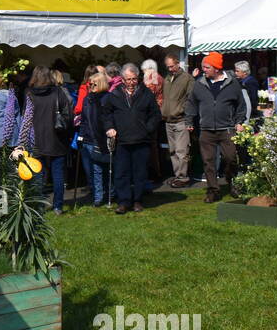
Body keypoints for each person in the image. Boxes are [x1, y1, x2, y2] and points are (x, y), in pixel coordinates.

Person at [185, 52, 248, 203]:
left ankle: (231, 181)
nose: (203, 70)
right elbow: (191, 103)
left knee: (230, 158)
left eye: (207, 67)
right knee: (209, 161)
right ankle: (213, 190)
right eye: (203, 67)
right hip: (206, 130)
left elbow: (241, 105)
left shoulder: (232, 84)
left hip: (227, 129)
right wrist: (189, 121)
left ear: (217, 68)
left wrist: (239, 121)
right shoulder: (199, 84)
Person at [101, 64, 160, 213]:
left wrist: (148, 129)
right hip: (122, 141)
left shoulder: (146, 94)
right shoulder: (114, 95)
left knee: (140, 173)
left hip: (142, 140)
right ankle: (124, 201)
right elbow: (106, 114)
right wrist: (109, 127)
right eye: (128, 79)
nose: (131, 82)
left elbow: (155, 115)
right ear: (122, 79)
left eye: (134, 79)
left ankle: (138, 200)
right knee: (121, 173)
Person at [26, 65, 75, 214]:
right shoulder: (58, 92)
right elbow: (68, 116)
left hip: (36, 140)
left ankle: (39, 205)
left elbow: (25, 116)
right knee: (58, 174)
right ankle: (58, 206)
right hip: (56, 138)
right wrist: (68, 134)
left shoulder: (29, 94)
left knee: (38, 175)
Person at [78, 72, 112, 206]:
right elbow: (84, 120)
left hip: (102, 138)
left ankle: (110, 193)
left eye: (93, 84)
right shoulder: (88, 99)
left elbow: (108, 118)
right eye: (89, 84)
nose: (90, 86)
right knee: (95, 169)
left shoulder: (107, 98)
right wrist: (81, 135)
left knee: (106, 168)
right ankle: (98, 197)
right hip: (88, 138)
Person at [162, 53, 194, 187]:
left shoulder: (187, 79)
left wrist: (185, 115)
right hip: (168, 120)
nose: (170, 69)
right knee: (173, 151)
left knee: (182, 151)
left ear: (177, 64)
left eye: (171, 66)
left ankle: (183, 178)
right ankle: (177, 176)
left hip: (180, 119)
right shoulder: (168, 79)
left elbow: (191, 99)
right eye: (167, 67)